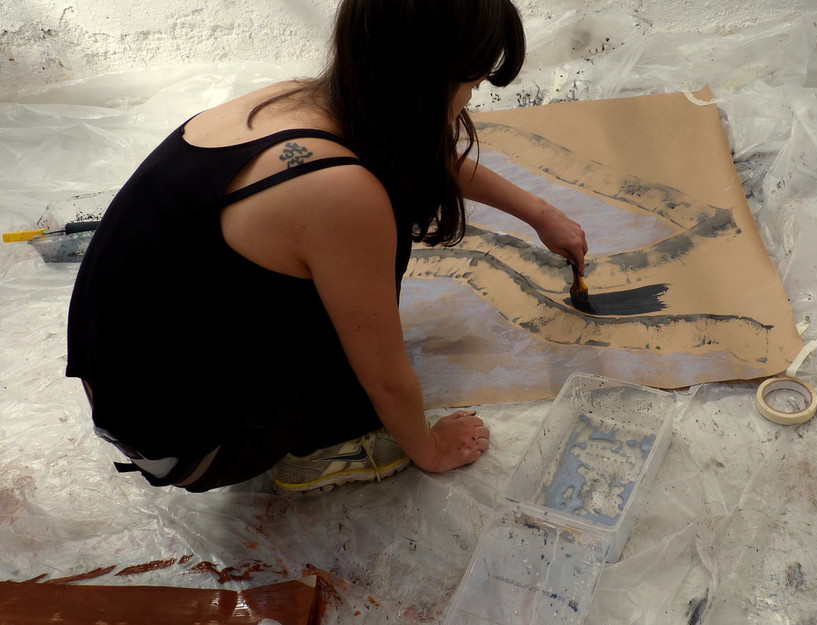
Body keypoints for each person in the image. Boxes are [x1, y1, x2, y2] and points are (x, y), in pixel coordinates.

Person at [66, 0, 588, 493]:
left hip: (124, 392)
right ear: (427, 81)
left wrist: (541, 213)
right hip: (188, 444)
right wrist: (428, 450)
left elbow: (413, 151)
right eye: (470, 84)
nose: (469, 99)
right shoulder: (336, 188)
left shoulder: (297, 100)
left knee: (339, 252)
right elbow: (385, 378)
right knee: (363, 282)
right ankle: (324, 448)